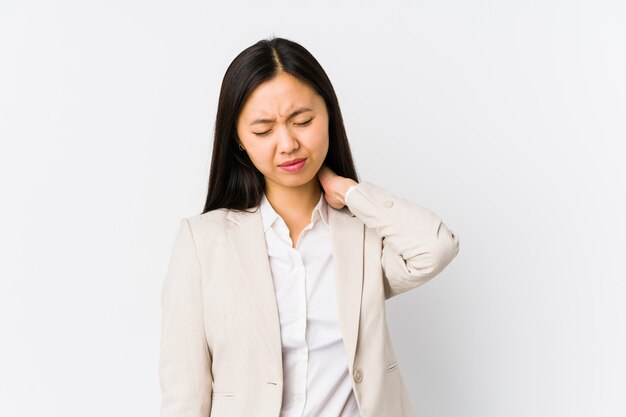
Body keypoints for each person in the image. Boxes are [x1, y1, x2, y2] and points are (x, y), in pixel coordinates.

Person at [159, 36, 460, 417]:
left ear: (329, 115)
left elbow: (434, 249)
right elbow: (185, 394)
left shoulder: (363, 235)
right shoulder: (202, 243)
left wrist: (353, 195)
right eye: (263, 130)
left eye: (302, 121)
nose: (287, 143)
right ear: (238, 140)